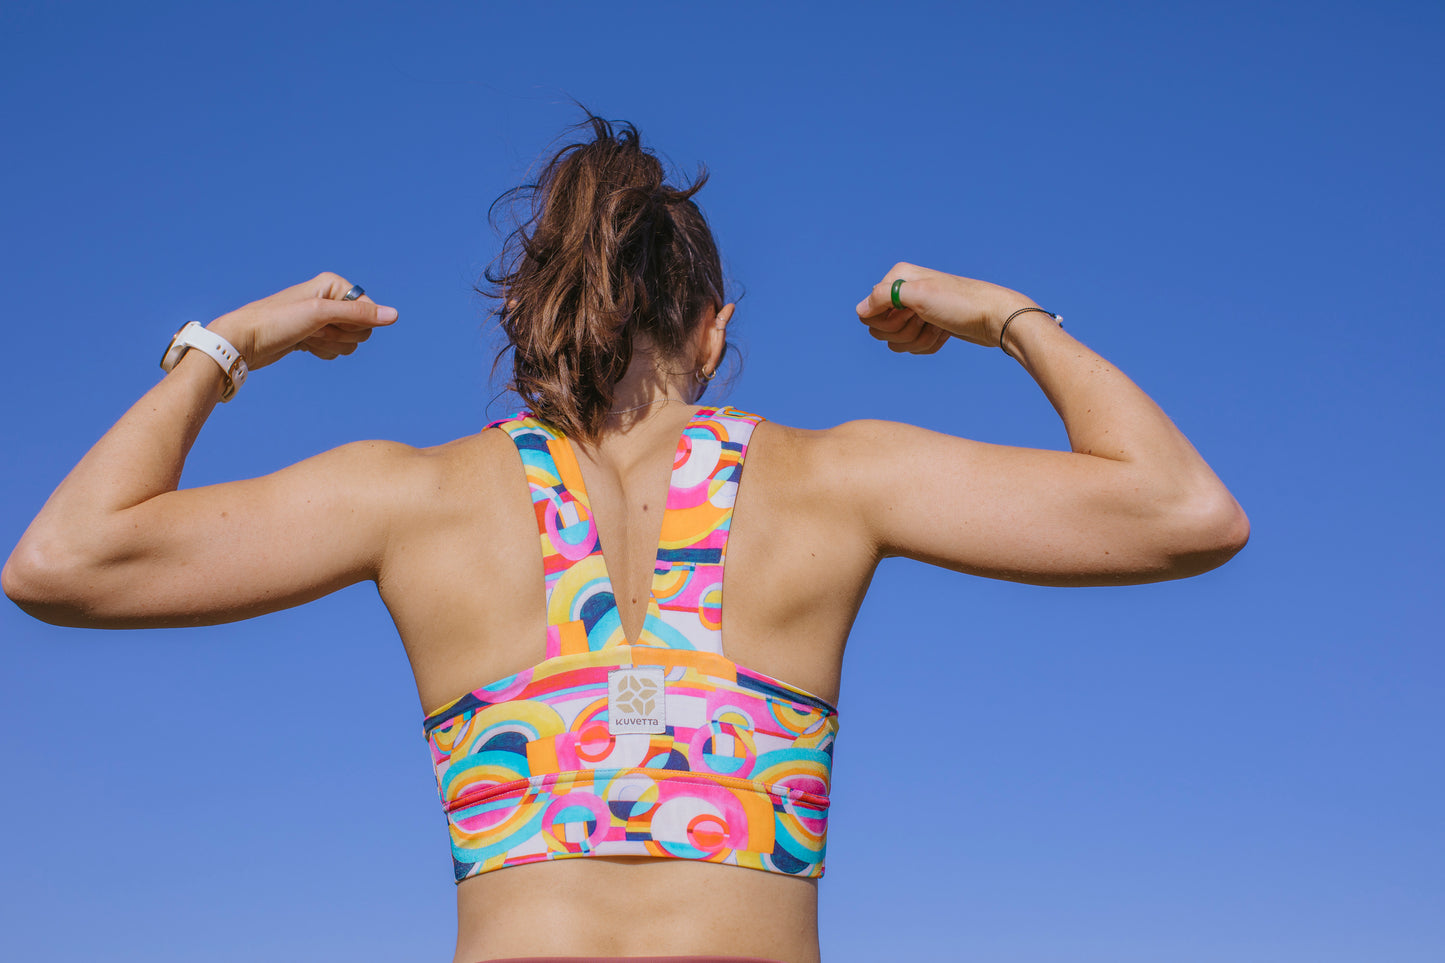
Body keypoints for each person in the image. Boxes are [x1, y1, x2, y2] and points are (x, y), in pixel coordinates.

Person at [2, 112, 1249, 963]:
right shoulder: (835, 480)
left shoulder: (413, 498)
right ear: (711, 329)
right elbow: (1184, 512)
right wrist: (996, 315)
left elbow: (62, 563)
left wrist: (235, 339)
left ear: (532, 318)